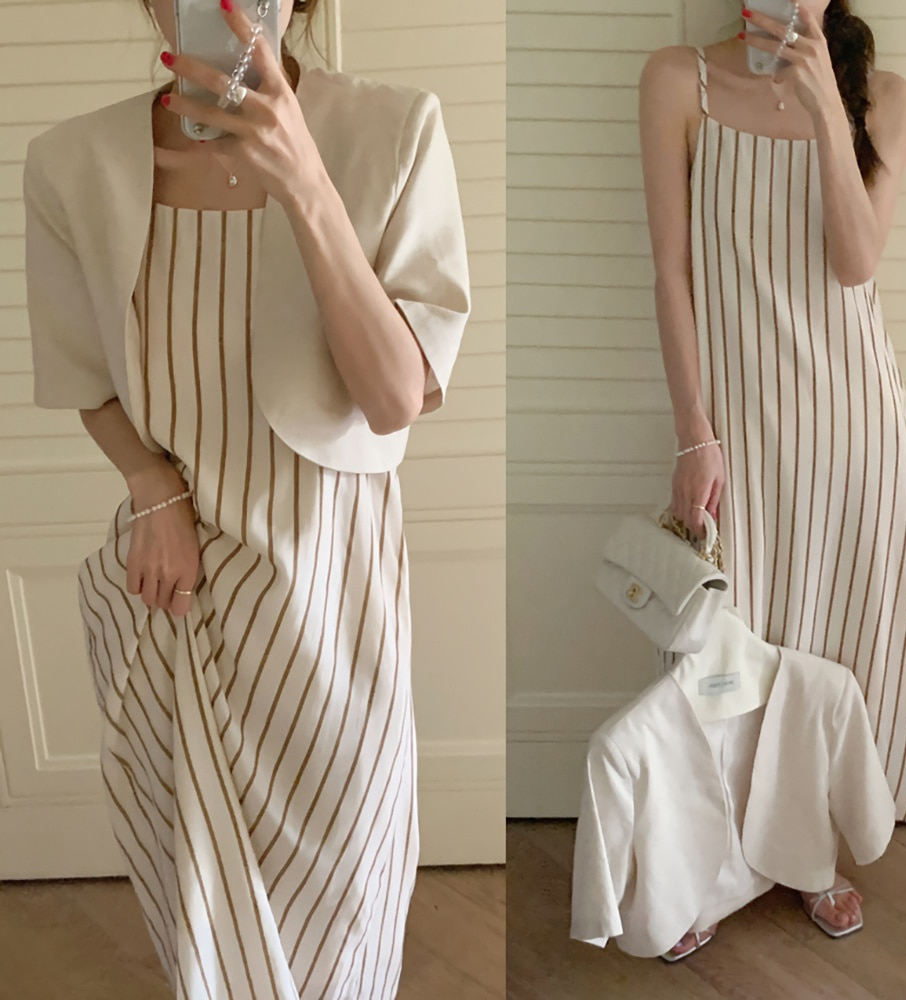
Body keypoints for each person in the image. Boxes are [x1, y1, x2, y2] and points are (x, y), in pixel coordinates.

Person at [22, 0, 470, 996]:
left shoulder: (395, 131)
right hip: (174, 595)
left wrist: (304, 181)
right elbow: (84, 377)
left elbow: (394, 399)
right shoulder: (69, 165)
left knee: (348, 908)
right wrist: (150, 484)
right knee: (202, 918)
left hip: (333, 599)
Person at [638, 0, 906, 960]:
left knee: (827, 648)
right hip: (736, 435)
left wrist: (824, 107)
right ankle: (710, 864)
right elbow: (672, 273)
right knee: (724, 653)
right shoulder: (678, 80)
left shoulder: (884, 99)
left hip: (853, 429)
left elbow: (856, 261)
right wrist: (693, 432)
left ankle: (812, 855)